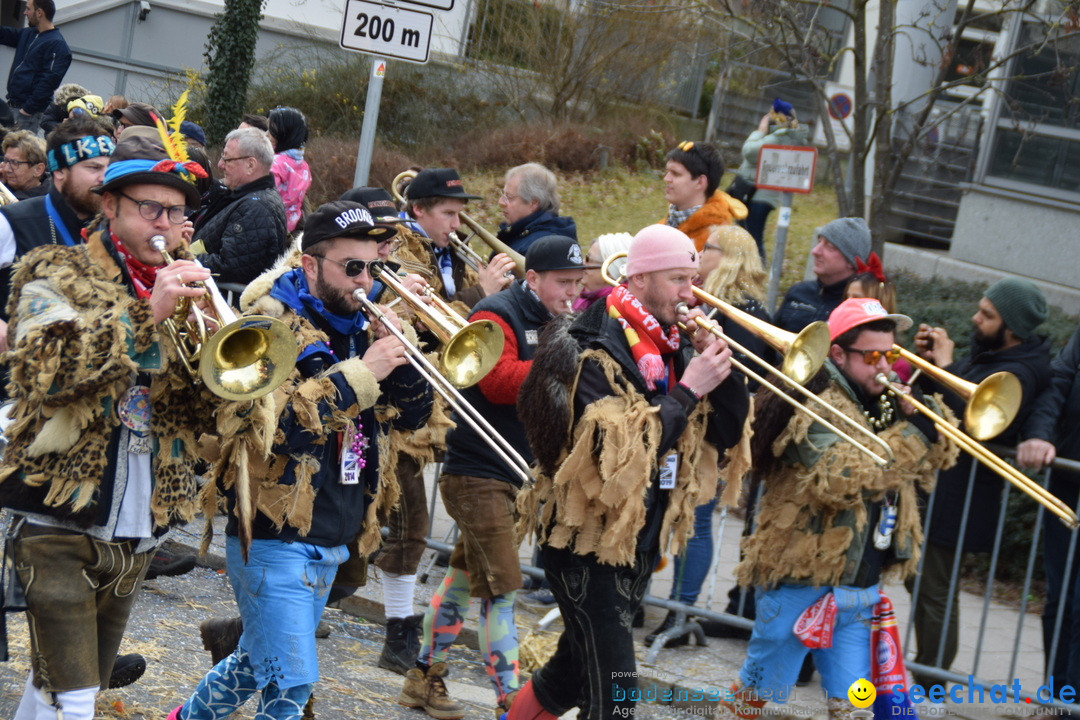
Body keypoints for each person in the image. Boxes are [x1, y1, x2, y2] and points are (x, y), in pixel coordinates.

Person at [0, 132, 234, 720]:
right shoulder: (56, 271)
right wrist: (147, 316)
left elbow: (205, 414)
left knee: (57, 685)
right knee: (76, 697)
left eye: (176, 210)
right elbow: (48, 373)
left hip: (137, 525)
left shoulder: (189, 286)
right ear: (111, 207)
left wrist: (214, 351)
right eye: (149, 207)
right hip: (57, 515)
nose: (165, 221)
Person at [169, 200, 432, 720]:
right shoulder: (267, 325)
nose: (365, 281)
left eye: (372, 267)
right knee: (292, 683)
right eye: (351, 268)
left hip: (334, 531)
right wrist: (363, 372)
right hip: (273, 532)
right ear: (309, 265)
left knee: (252, 661)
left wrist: (397, 354)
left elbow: (412, 419)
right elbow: (277, 431)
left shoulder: (366, 323)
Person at [512, 224, 750, 720]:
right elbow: (613, 458)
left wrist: (720, 374)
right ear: (638, 278)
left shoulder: (670, 340)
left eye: (693, 278)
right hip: (585, 542)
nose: (693, 293)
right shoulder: (587, 343)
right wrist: (687, 390)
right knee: (617, 697)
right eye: (679, 280)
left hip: (638, 538)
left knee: (568, 677)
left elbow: (724, 435)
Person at [718, 297, 958, 720]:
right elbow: (845, 479)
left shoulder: (881, 404)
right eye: (873, 356)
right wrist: (915, 431)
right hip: (800, 584)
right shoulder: (815, 407)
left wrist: (930, 400)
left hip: (857, 589)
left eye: (891, 354)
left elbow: (935, 457)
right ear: (838, 354)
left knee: (855, 708)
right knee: (752, 701)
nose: (885, 366)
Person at [397, 234, 588, 720]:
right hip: (477, 469)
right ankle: (512, 702)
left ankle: (423, 677)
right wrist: (560, 364)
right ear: (533, 279)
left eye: (577, 282)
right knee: (501, 588)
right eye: (563, 282)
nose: (572, 292)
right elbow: (496, 382)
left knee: (463, 582)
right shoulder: (496, 313)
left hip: (518, 470)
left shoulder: (563, 321)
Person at [907, 277, 1052, 687]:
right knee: (924, 582)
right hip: (945, 486)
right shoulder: (991, 356)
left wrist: (948, 367)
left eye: (987, 315)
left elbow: (975, 425)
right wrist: (930, 365)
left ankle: (930, 680)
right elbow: (942, 404)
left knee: (934, 587)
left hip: (963, 494)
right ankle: (927, 671)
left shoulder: (1019, 372)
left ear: (1013, 328)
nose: (976, 318)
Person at [645, 222, 773, 647]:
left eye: (707, 248)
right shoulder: (707, 301)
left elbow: (735, 379)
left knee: (696, 520)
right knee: (664, 512)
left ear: (729, 255)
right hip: (683, 422)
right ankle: (655, 602)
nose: (699, 255)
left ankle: (681, 609)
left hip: (709, 434)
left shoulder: (741, 313)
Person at [0, 116, 113, 343]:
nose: (104, 178)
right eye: (93, 167)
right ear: (59, 171)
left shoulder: (109, 229)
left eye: (109, 168)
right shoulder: (13, 221)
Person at [1017, 324, 1080, 691]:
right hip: (1068, 485)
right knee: (1059, 602)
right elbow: (1057, 382)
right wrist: (1039, 433)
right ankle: (1058, 700)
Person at [403, 167, 514, 308]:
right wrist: (483, 290)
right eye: (448, 213)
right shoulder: (395, 247)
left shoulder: (447, 245)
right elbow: (428, 316)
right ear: (418, 209)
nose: (456, 224)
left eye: (459, 214)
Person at [191, 126, 288, 285]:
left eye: (227, 159)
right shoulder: (246, 197)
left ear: (250, 165)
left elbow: (231, 267)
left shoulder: (256, 209)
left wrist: (183, 257)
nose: (220, 164)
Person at [732, 99, 809, 258]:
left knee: (753, 236)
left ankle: (758, 268)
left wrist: (760, 131)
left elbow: (749, 151)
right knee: (748, 232)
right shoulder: (789, 136)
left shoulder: (779, 137)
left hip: (759, 194)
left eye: (770, 115)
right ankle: (748, 267)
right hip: (762, 194)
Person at [773, 216, 871, 334]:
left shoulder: (858, 305)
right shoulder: (798, 292)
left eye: (829, 246)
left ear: (852, 262)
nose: (815, 251)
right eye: (819, 242)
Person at [0, 0, 71, 134]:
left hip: (27, 113)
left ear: (39, 13)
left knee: (19, 151)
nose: (24, 12)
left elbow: (49, 81)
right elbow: (4, 34)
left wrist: (27, 109)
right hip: (13, 106)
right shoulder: (29, 34)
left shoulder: (57, 45)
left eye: (28, 9)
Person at [662, 140, 746, 252]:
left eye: (676, 174)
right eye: (667, 172)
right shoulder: (667, 223)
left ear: (700, 182)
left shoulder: (716, 241)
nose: (666, 179)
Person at [495, 162, 577, 254]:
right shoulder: (516, 232)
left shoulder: (542, 247)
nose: (501, 202)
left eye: (509, 197)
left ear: (533, 203)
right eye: (503, 194)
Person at [267, 106, 312, 234]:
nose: (266, 135)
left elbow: (265, 198)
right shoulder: (302, 164)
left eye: (270, 131)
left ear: (283, 133)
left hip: (270, 225)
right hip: (291, 226)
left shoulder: (274, 164)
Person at [573, 232, 632, 311]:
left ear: (609, 271)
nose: (583, 263)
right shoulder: (584, 299)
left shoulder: (612, 310)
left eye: (588, 259)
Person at [1, 130, 48, 199]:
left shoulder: (48, 200)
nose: (6, 169)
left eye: (15, 163)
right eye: (6, 161)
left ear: (38, 169)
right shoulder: (4, 187)